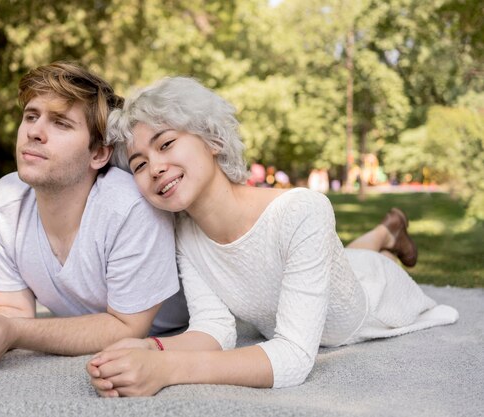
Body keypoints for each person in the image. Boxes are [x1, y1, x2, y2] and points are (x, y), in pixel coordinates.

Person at [86, 77, 459, 397]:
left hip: (374, 298)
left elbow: (295, 356)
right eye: (138, 164)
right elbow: (213, 329)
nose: (155, 167)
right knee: (341, 258)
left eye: (166, 144)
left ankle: (385, 239)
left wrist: (166, 371)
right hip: (330, 272)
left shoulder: (303, 210)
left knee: (363, 266)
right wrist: (148, 347)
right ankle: (385, 231)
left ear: (213, 140)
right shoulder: (185, 233)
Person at [0, 62, 189, 378]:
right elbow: (12, 312)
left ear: (98, 153)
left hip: (171, 327)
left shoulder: (129, 207)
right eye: (31, 116)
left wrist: (16, 332)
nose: (34, 132)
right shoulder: (2, 204)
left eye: (60, 123)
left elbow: (126, 328)